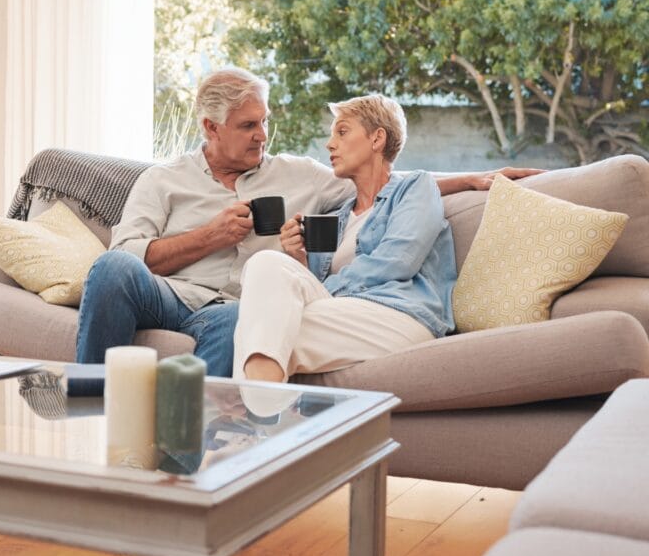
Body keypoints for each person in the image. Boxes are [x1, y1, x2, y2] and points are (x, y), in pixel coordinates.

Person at [75, 68, 539, 377]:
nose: (262, 136)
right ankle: (88, 411)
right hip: (172, 293)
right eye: (247, 127)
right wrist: (208, 237)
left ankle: (202, 455)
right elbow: (127, 254)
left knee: (246, 321)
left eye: (264, 122)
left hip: (235, 308)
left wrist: (476, 180)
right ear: (211, 129)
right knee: (111, 270)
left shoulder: (301, 176)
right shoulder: (164, 180)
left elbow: (384, 187)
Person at [234, 94, 455, 383]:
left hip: (399, 314)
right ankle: (262, 418)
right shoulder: (337, 218)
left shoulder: (416, 187)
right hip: (342, 315)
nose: (330, 144)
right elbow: (310, 287)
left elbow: (397, 262)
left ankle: (250, 421)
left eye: (342, 131)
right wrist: (299, 259)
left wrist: (327, 289)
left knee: (261, 329)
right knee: (266, 280)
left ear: (377, 139)